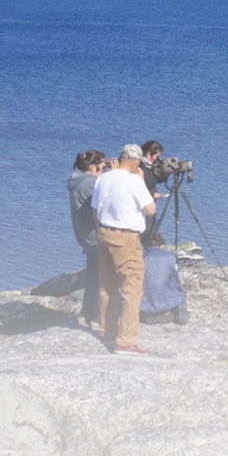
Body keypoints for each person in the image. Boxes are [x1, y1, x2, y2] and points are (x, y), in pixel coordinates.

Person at [90, 143, 156, 356]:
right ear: (137, 162)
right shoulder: (134, 180)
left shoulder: (104, 178)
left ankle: (107, 330)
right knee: (131, 288)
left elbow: (94, 210)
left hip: (104, 233)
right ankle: (126, 342)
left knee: (107, 285)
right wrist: (142, 182)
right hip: (126, 238)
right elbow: (151, 209)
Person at [66, 149, 107, 331]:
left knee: (92, 276)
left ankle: (87, 313)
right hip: (95, 236)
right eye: (103, 164)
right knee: (102, 278)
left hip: (84, 235)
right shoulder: (91, 182)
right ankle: (98, 317)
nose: (106, 167)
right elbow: (104, 207)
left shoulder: (77, 180)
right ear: (93, 166)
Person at [139, 228, 190, 326]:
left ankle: (147, 317)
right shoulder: (170, 257)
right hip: (166, 304)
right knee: (179, 288)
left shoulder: (140, 258)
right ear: (162, 245)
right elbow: (176, 280)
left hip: (143, 306)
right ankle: (179, 314)